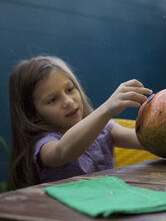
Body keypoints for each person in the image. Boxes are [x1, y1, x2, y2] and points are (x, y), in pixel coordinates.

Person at [8, 55, 152, 189]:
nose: (68, 102)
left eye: (70, 89)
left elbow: (148, 140)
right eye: (52, 100)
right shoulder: (44, 144)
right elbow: (62, 151)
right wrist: (106, 109)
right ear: (33, 113)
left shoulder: (105, 129)